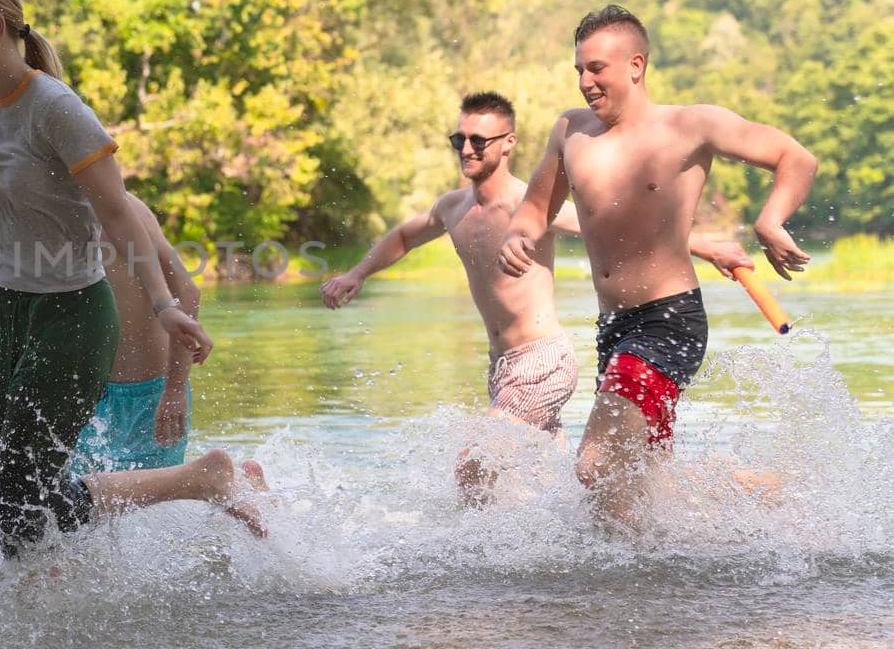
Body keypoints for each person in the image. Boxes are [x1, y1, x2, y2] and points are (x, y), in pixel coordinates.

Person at [0, 0, 268, 556]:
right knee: (15, 498)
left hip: (74, 316)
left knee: (16, 498)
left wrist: (164, 305)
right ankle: (43, 625)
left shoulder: (56, 108)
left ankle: (199, 479)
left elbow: (119, 213)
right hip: (8, 312)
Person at [321, 92, 748, 501]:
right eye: (459, 140)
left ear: (508, 144)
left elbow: (618, 226)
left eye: (478, 141)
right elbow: (403, 236)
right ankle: (712, 494)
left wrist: (709, 249)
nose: (467, 149)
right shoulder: (452, 209)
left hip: (543, 361)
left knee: (474, 463)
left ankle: (476, 561)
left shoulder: (530, 206)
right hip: (501, 367)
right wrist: (356, 274)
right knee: (552, 487)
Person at [500, 5, 816, 526]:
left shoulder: (691, 124)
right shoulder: (569, 132)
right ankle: (776, 495)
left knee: (597, 464)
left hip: (668, 321)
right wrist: (518, 236)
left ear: (635, 65)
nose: (584, 81)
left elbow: (796, 158)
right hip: (614, 328)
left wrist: (770, 221)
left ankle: (627, 589)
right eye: (578, 69)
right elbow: (536, 209)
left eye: (596, 68)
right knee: (640, 483)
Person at [66, 193, 200, 478]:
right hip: (86, 395)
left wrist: (175, 389)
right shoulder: (53, 205)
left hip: (147, 395)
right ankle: (238, 479)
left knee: (157, 507)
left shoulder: (125, 208)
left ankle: (233, 483)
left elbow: (187, 291)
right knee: (80, 507)